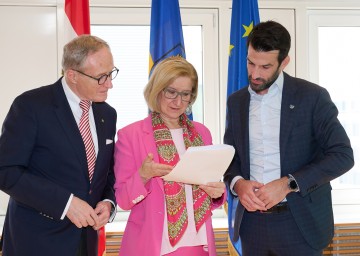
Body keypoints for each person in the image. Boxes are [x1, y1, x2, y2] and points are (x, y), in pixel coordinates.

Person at [224, 20, 354, 256]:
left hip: (300, 223)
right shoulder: (236, 102)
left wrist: (288, 183)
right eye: (250, 63)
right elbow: (230, 159)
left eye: (265, 67)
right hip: (252, 226)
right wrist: (238, 184)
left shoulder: (312, 97)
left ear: (284, 62)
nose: (255, 74)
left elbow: (342, 156)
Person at [0, 35, 118, 256]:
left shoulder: (107, 114)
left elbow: (106, 172)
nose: (109, 83)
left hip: (87, 242)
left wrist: (108, 201)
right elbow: (6, 171)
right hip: (36, 242)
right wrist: (66, 203)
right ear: (72, 75)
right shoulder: (31, 106)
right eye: (101, 77)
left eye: (111, 73)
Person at [114, 56, 226, 256]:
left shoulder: (202, 133)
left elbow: (210, 185)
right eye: (171, 92)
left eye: (185, 94)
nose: (178, 102)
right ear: (157, 90)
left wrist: (217, 192)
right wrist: (143, 175)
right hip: (153, 246)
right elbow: (123, 200)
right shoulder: (130, 135)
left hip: (199, 244)